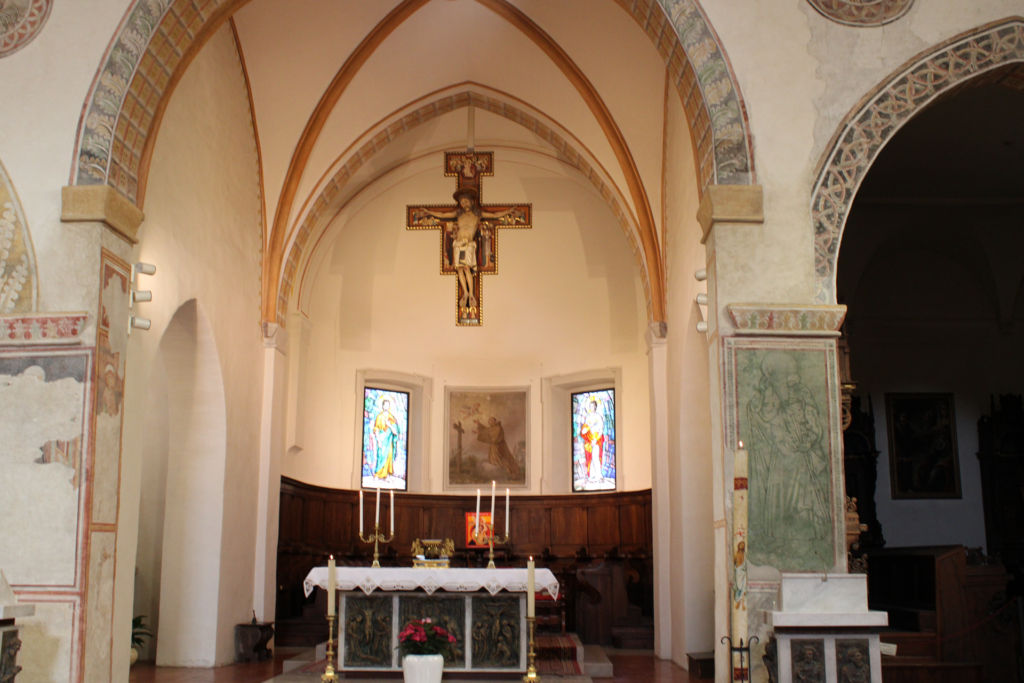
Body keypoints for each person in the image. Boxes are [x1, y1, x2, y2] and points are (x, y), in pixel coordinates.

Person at [418, 189, 515, 310]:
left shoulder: (478, 215)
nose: (464, 204)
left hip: (468, 244)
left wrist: (509, 211)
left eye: (466, 201)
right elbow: (442, 215)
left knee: (466, 268)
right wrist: (428, 212)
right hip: (458, 244)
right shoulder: (458, 214)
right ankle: (465, 292)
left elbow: (495, 215)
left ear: (472, 202)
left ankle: (471, 293)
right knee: (459, 269)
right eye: (462, 202)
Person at [371, 397, 399, 480]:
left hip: (389, 441)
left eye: (388, 405)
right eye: (385, 405)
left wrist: (389, 425)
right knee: (381, 456)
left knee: (388, 456)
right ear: (382, 406)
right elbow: (376, 429)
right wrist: (379, 440)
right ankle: (377, 474)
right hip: (382, 439)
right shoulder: (379, 417)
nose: (387, 406)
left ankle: (386, 475)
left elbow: (395, 432)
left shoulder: (391, 418)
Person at [580, 399, 606, 482]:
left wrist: (596, 439)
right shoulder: (588, 417)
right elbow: (584, 431)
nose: (591, 408)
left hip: (596, 439)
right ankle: (592, 475)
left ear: (595, 407)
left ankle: (599, 475)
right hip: (589, 440)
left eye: (593, 406)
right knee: (590, 457)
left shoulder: (598, 417)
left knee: (595, 456)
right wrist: (590, 425)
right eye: (590, 406)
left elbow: (601, 430)